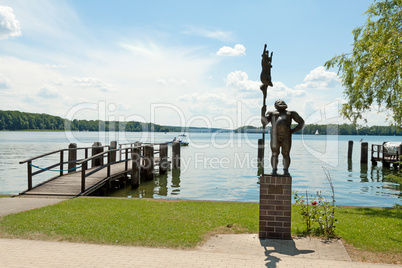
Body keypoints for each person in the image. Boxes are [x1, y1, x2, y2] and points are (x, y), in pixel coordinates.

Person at [261, 99, 304, 175]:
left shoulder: (290, 113)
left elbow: (301, 122)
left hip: (286, 136)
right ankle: (274, 170)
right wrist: (262, 112)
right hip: (275, 136)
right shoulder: (271, 113)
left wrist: (292, 131)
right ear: (275, 105)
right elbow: (264, 123)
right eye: (278, 102)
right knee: (274, 153)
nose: (281, 103)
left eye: (282, 102)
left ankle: (286, 170)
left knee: (286, 153)